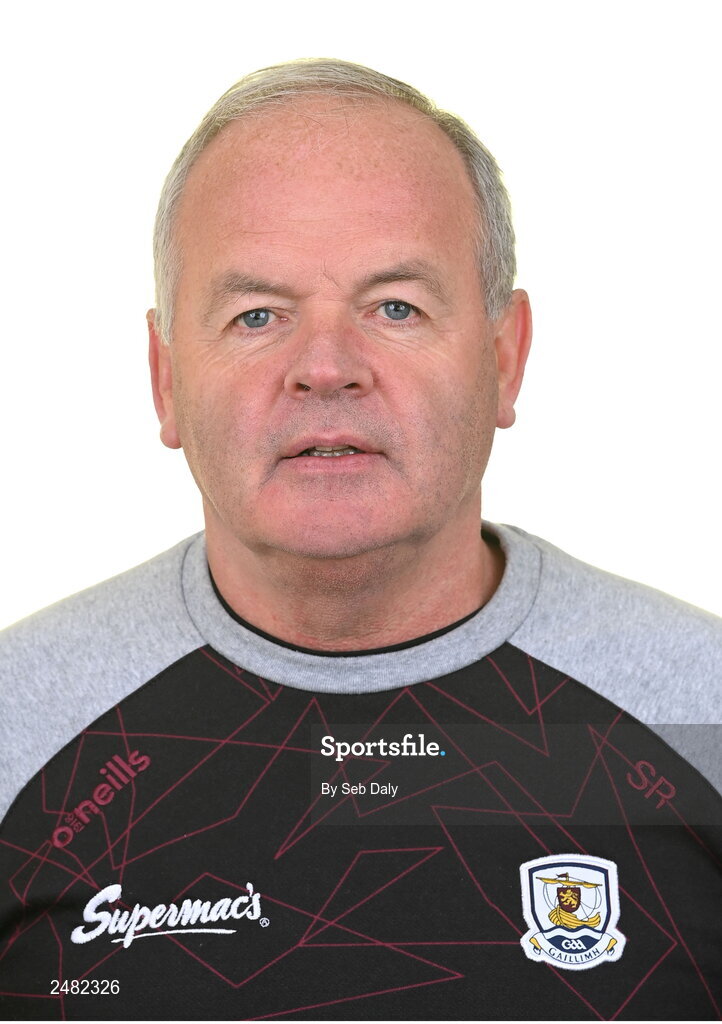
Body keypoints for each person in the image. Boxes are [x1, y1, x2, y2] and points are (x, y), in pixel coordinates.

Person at [0, 59, 719, 1022]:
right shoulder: (19, 730)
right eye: (257, 315)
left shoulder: (700, 713)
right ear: (166, 377)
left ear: (506, 358)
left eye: (395, 307)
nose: (327, 368)